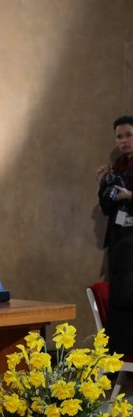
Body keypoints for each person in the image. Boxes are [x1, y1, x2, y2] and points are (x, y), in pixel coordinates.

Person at [97, 115, 133, 356]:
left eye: (129, 135)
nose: (123, 141)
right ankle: (119, 354)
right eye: (119, 136)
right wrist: (103, 185)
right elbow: (106, 208)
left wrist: (130, 196)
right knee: (120, 296)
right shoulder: (117, 167)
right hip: (120, 242)